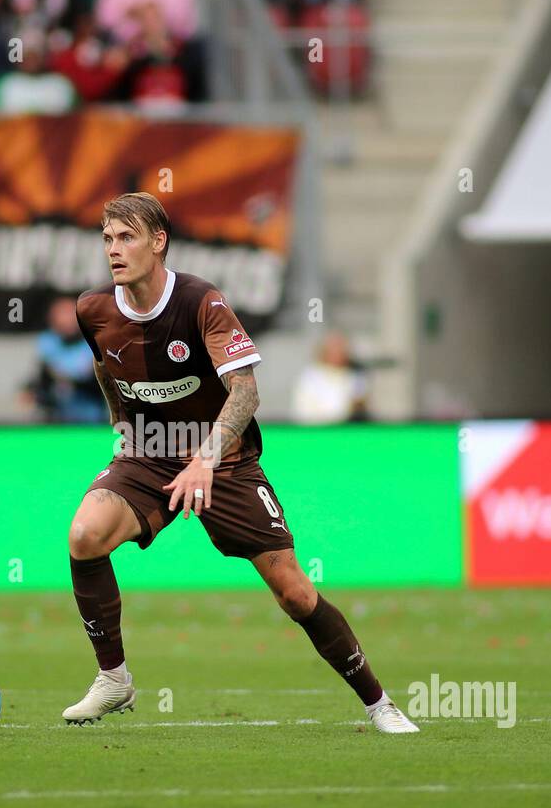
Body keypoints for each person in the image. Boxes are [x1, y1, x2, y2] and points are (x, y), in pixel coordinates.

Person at [61, 191, 418, 734]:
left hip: (224, 461)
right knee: (84, 535)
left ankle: (379, 704)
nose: (114, 249)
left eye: (127, 237)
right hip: (149, 452)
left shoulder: (202, 302)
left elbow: (246, 392)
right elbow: (105, 367)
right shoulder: (93, 309)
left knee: (294, 593)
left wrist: (205, 457)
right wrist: (118, 423)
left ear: (158, 242)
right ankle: (114, 680)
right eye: (107, 238)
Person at [21, 296, 108, 423]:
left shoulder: (93, 343)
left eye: (70, 314)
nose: (67, 320)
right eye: (62, 314)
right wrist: (30, 390)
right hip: (57, 419)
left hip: (91, 419)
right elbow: (42, 378)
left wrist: (69, 381)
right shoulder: (47, 342)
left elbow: (98, 383)